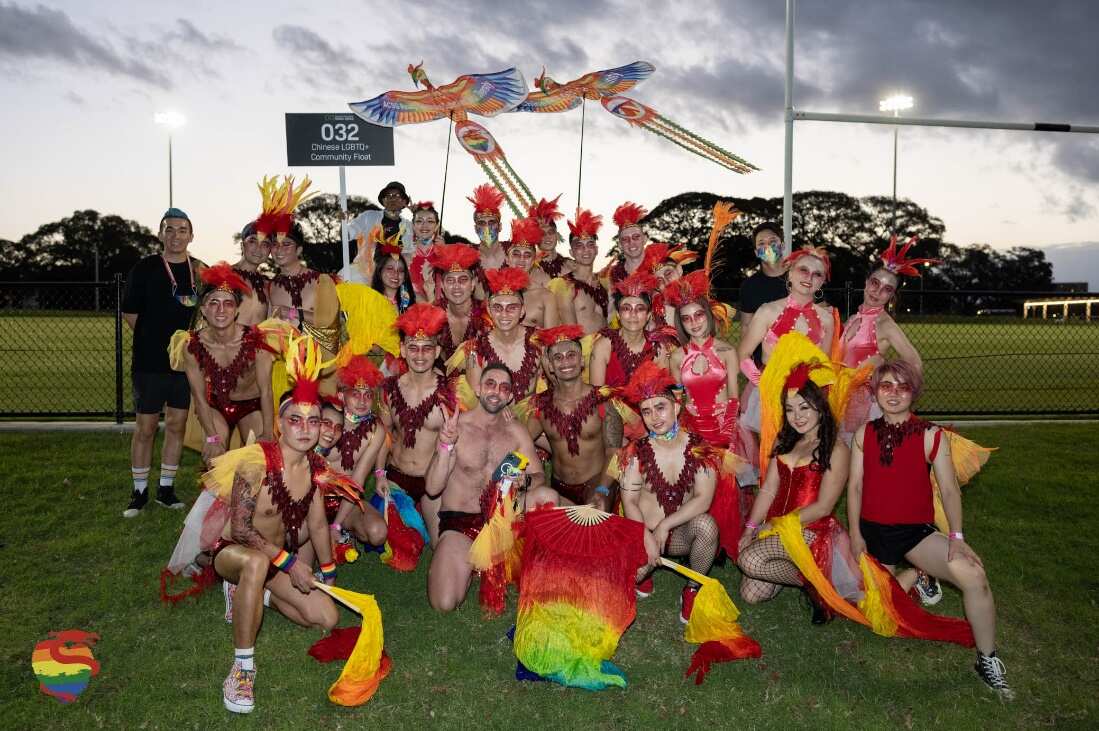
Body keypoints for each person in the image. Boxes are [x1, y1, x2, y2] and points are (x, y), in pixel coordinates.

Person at [205, 336, 361, 714]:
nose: (306, 429)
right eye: (296, 420)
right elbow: (241, 530)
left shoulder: (315, 468)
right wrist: (292, 564)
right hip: (234, 554)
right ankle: (242, 668)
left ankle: (257, 595)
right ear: (280, 424)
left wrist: (329, 572)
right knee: (255, 564)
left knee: (326, 617)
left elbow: (319, 524)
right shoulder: (255, 462)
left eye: (313, 421)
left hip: (277, 562)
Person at [847, 359, 1013, 699]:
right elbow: (855, 488)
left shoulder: (931, 435)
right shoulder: (864, 434)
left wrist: (956, 537)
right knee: (881, 620)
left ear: (914, 392)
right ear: (875, 392)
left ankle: (987, 659)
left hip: (915, 534)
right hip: (874, 533)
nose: (894, 394)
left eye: (902, 387)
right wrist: (855, 535)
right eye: (886, 386)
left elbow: (950, 490)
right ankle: (920, 578)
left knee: (973, 575)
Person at [424, 362, 558, 612]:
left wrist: (525, 481)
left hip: (503, 516)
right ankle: (474, 563)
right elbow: (432, 488)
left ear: (510, 397)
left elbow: (539, 476)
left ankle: (531, 561)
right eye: (490, 384)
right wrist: (445, 446)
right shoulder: (456, 427)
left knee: (547, 496)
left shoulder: (515, 431)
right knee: (444, 603)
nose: (496, 391)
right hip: (461, 523)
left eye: (504, 387)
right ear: (477, 389)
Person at [736, 362, 850, 625]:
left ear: (820, 407)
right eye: (790, 409)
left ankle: (818, 583)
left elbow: (823, 507)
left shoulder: (836, 448)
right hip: (776, 526)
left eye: (804, 407)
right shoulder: (784, 439)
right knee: (750, 594)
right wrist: (750, 528)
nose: (797, 416)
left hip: (810, 529)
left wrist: (773, 527)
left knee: (749, 560)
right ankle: (807, 580)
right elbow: (768, 488)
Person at [618, 361, 721, 623]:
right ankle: (645, 576)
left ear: (676, 407)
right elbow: (629, 501)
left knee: (707, 526)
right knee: (621, 585)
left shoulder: (699, 447)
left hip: (678, 536)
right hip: (643, 532)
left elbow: (703, 499)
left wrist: (666, 526)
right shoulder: (635, 451)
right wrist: (646, 536)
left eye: (661, 407)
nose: (655, 417)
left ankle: (692, 588)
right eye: (647, 411)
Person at [121, 207, 205, 518]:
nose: (176, 236)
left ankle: (166, 489)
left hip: (186, 365)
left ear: (191, 235)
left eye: (182, 230)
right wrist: (158, 343)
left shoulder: (200, 271)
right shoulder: (144, 269)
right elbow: (131, 314)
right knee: (145, 427)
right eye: (169, 230)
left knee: (177, 424)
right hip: (149, 363)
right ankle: (139, 490)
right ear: (160, 235)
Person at [171, 263, 278, 466]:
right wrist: (212, 438)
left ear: (237, 310)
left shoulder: (257, 341)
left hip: (251, 404)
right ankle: (213, 496)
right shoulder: (191, 345)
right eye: (213, 303)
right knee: (214, 459)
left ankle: (249, 498)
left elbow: (266, 392)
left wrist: (267, 432)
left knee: (257, 461)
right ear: (203, 310)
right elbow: (200, 398)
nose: (221, 310)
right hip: (216, 405)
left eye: (228, 303)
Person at [737, 245, 840, 435]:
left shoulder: (826, 319)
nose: (809, 278)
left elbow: (824, 364)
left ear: (822, 282)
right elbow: (743, 354)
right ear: (790, 273)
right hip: (770, 396)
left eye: (817, 274)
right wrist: (763, 383)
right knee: (771, 455)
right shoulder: (768, 311)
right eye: (803, 270)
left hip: (807, 401)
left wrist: (814, 395)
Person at [839, 235, 934, 439]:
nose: (878, 291)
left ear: (892, 296)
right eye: (875, 283)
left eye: (887, 289)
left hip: (866, 405)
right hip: (839, 399)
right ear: (866, 283)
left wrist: (891, 390)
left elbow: (915, 363)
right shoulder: (854, 317)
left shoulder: (885, 324)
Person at [377, 304, 456, 545]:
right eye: (413, 348)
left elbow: (455, 446)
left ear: (437, 351)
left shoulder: (450, 392)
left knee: (438, 543)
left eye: (427, 348)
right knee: (398, 548)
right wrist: (379, 473)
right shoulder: (389, 389)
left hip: (432, 482)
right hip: (395, 477)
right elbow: (385, 434)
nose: (419, 355)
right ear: (402, 349)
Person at [527, 325, 623, 512]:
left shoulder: (603, 400)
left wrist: (603, 488)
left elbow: (615, 453)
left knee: (597, 512)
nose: (566, 362)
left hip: (596, 483)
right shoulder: (542, 404)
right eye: (558, 358)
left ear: (581, 361)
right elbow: (521, 442)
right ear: (551, 366)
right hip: (558, 488)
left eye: (571, 355)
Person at [314, 356, 388, 554]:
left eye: (368, 395)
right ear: (341, 394)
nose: (362, 401)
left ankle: (343, 529)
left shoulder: (375, 430)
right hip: (310, 499)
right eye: (356, 393)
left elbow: (357, 480)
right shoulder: (322, 417)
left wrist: (336, 525)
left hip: (344, 501)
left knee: (378, 532)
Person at [665, 271, 744, 453]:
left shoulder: (727, 351)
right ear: (681, 323)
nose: (693, 322)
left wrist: (727, 432)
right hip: (692, 428)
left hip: (724, 425)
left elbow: (734, 396)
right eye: (686, 318)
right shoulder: (677, 356)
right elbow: (677, 400)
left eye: (698, 314)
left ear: (708, 314)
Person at [460, 266, 543, 403]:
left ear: (522, 311)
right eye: (498, 308)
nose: (504, 314)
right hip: (490, 418)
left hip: (531, 419)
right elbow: (476, 397)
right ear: (489, 310)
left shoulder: (540, 340)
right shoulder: (474, 350)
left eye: (512, 308)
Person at [589, 270, 670, 388]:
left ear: (648, 316)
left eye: (640, 308)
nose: (633, 314)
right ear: (618, 314)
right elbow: (596, 396)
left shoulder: (658, 347)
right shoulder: (603, 346)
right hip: (609, 406)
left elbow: (662, 393)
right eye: (626, 308)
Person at [427, 243, 488, 363]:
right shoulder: (432, 315)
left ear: (473, 284)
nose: (456, 286)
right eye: (450, 280)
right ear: (443, 286)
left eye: (463, 279)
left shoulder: (487, 315)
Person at [552, 209, 610, 334]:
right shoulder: (564, 285)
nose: (585, 250)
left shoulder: (606, 285)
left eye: (590, 244)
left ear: (596, 249)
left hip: (608, 349)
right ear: (571, 252)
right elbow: (571, 332)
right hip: (581, 351)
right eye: (579, 246)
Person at [503, 217, 559, 329]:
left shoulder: (546, 297)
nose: (521, 259)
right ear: (507, 259)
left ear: (533, 261)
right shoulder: (494, 292)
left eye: (527, 255)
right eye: (516, 254)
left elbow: (551, 340)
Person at [346, 180, 414, 269]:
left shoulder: (409, 226)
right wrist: (343, 222)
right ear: (383, 200)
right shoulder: (368, 216)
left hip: (395, 276)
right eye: (388, 196)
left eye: (397, 195)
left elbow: (424, 245)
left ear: (404, 202)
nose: (392, 198)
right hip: (364, 275)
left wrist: (417, 215)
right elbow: (347, 234)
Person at [600, 202, 649, 288]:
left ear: (645, 239)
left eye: (636, 237)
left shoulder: (660, 268)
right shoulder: (610, 276)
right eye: (625, 239)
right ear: (620, 245)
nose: (631, 242)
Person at [233, 222, 272, 326]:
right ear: (242, 245)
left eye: (265, 244)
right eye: (253, 241)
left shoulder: (268, 285)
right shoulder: (222, 275)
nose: (258, 248)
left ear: (270, 251)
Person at [528, 196, 571, 282]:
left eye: (550, 232)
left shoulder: (571, 265)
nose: (547, 236)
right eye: (542, 233)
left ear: (556, 234)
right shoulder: (528, 268)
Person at [370, 233, 416, 315]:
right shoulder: (368, 300)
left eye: (401, 270)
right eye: (390, 268)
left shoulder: (414, 301)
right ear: (379, 272)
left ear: (405, 276)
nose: (396, 274)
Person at [468, 183, 508, 271]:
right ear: (475, 229)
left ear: (500, 227)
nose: (487, 228)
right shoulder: (466, 254)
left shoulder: (512, 250)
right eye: (482, 223)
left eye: (491, 222)